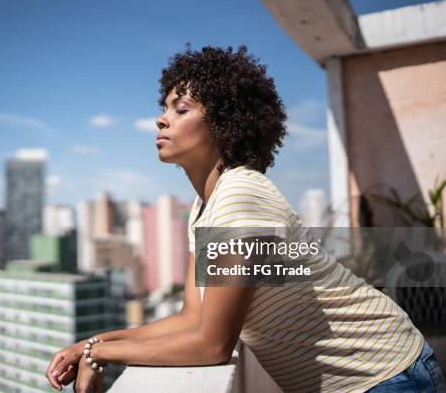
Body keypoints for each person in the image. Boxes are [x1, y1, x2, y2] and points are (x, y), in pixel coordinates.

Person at [46, 45, 446, 393]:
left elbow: (210, 345)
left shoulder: (241, 195)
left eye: (180, 109)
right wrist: (92, 341)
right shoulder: (204, 209)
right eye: (164, 108)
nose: (161, 119)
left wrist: (98, 351)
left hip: (385, 376)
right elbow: (192, 318)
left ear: (223, 123)